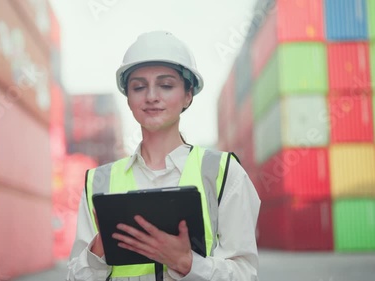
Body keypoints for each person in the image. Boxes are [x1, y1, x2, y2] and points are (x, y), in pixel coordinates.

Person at [66, 30, 261, 281]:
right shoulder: (98, 182)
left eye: (166, 85)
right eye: (138, 87)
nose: (151, 97)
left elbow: (246, 275)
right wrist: (98, 250)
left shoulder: (223, 173)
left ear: (188, 95)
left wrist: (187, 263)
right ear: (128, 98)